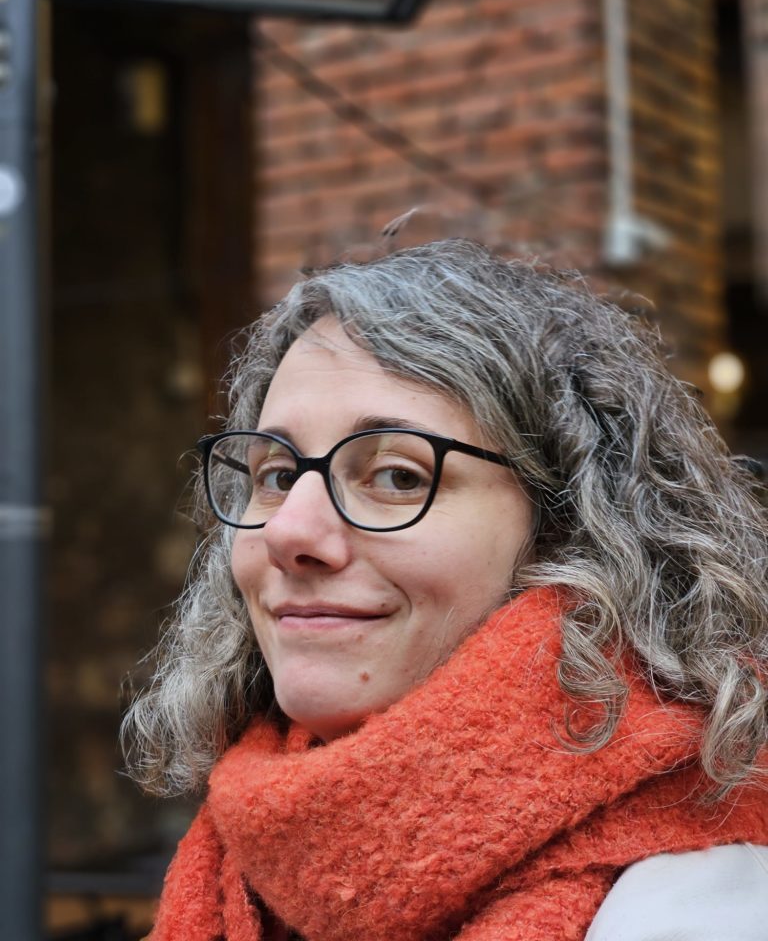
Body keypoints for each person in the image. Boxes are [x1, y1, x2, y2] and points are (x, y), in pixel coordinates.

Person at [123, 239, 768, 941]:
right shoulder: (244, 857)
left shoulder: (700, 905)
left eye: (398, 476)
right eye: (276, 475)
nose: (288, 531)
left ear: (570, 529)